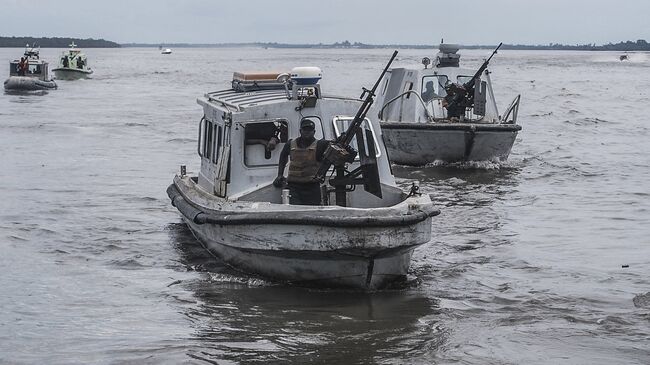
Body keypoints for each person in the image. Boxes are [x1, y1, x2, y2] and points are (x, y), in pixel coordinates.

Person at [273, 118, 329, 205]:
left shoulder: (321, 145)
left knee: (312, 212)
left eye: (310, 130)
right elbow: (283, 156)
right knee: (294, 211)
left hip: (312, 187)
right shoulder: (290, 144)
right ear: (300, 131)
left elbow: (331, 153)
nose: (307, 132)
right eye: (305, 129)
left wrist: (323, 173)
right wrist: (280, 174)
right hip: (294, 186)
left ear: (314, 132)